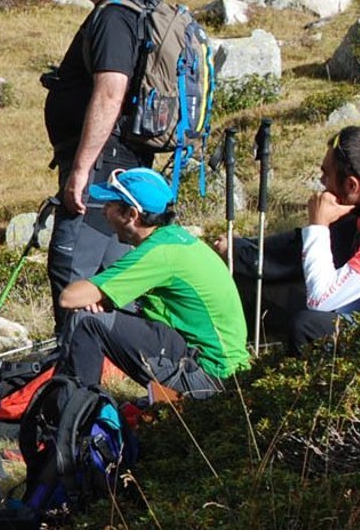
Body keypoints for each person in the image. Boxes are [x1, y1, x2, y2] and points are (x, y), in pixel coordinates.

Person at [215, 126, 360, 349]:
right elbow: (297, 251)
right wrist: (243, 250)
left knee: (308, 325)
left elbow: (321, 302)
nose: (322, 183)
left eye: (326, 174)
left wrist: (318, 225)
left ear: (352, 185)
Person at [42, 0, 157, 318]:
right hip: (122, 163)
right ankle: (109, 363)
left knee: (72, 270)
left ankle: (77, 371)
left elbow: (110, 91)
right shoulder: (138, 7)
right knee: (115, 272)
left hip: (103, 166)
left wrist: (81, 168)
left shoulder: (113, 16)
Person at [56, 168, 249, 397]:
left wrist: (99, 299)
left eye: (110, 205)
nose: (105, 211)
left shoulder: (159, 254)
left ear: (132, 215)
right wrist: (104, 300)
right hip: (225, 371)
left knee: (85, 321)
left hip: (208, 376)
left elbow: (69, 297)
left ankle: (75, 418)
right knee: (100, 317)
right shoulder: (176, 239)